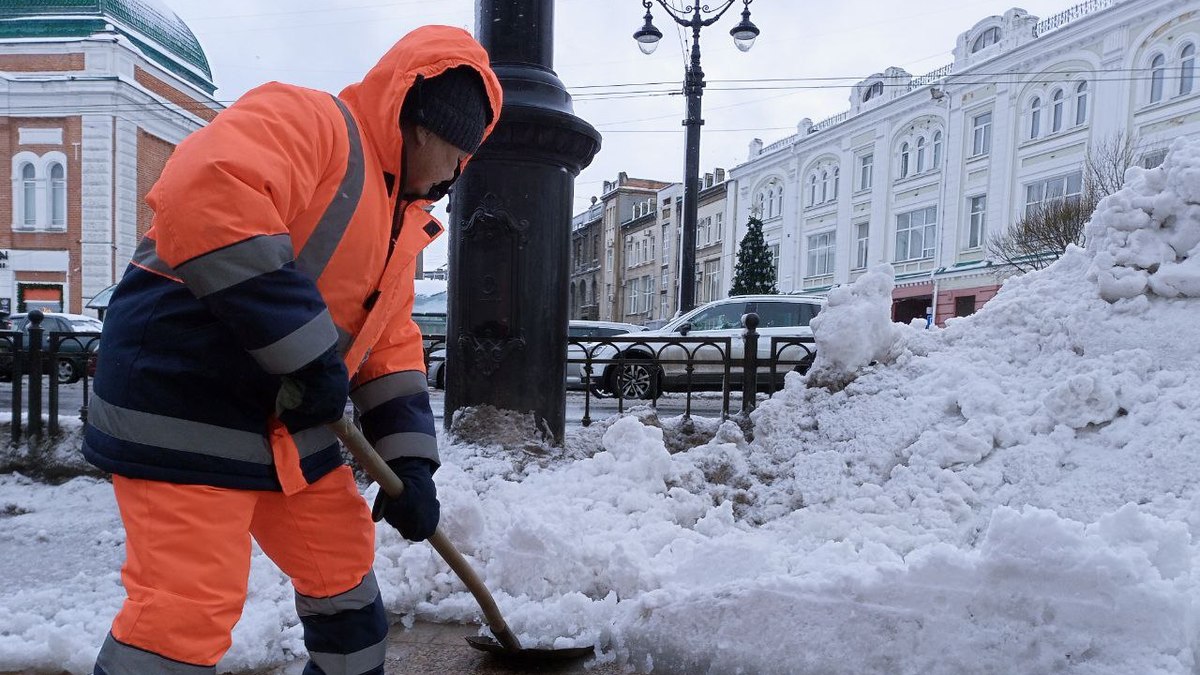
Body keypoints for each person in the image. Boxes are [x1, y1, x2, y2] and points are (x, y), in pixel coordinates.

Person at [82, 25, 502, 675]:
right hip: (187, 396)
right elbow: (208, 189)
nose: (458, 172)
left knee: (349, 591)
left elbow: (390, 346)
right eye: (461, 154)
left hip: (284, 418)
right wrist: (306, 354)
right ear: (429, 127)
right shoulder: (313, 122)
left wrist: (410, 464)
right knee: (185, 612)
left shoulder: (399, 228)